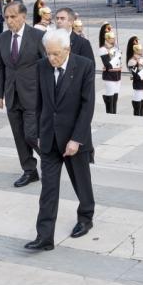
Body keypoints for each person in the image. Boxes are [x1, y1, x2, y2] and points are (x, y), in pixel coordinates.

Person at [24, 28, 96, 251]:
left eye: (56, 54)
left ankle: (85, 218)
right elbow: (39, 103)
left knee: (81, 183)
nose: (51, 58)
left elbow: (87, 107)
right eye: (48, 53)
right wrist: (36, 131)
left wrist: (76, 139)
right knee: (48, 189)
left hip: (74, 138)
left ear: (67, 49)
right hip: (49, 139)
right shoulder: (41, 67)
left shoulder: (84, 66)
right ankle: (44, 237)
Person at [0, 0, 46, 187]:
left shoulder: (38, 36)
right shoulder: (3, 38)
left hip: (33, 95)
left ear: (24, 17)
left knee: (31, 135)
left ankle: (51, 161)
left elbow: (48, 65)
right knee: (18, 135)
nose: (9, 21)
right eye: (6, 17)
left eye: (13, 17)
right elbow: (1, 68)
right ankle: (29, 171)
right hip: (12, 95)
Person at [99, 28, 123, 114]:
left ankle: (114, 114)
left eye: (114, 38)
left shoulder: (115, 48)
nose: (114, 39)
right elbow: (107, 65)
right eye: (112, 38)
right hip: (109, 76)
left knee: (115, 97)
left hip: (117, 75)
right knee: (110, 96)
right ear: (107, 39)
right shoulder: (103, 49)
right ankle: (109, 114)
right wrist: (116, 56)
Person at [126, 36, 143, 116]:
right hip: (138, 86)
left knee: (142, 106)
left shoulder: (142, 58)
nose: (141, 49)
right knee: (137, 106)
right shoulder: (132, 61)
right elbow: (137, 76)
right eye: (139, 48)